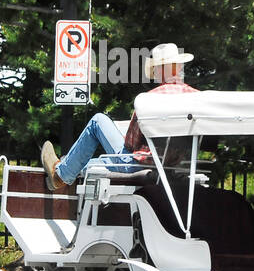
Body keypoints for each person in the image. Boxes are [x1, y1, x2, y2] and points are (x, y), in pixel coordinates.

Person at [41, 43, 197, 192]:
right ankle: (64, 168)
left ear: (163, 70)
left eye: (156, 69)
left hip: (137, 165)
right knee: (99, 163)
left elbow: (130, 144)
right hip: (168, 167)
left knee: (98, 121)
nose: (154, 73)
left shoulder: (149, 100)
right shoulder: (196, 98)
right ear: (179, 67)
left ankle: (61, 174)